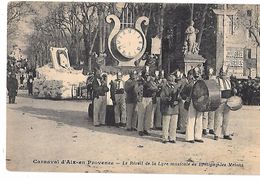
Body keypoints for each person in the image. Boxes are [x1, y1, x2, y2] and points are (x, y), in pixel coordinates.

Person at [181, 67, 204, 143]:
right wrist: (186, 98)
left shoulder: (202, 82)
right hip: (192, 102)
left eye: (198, 73)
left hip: (200, 102)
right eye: (196, 74)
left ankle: (198, 136)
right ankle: (189, 137)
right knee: (191, 119)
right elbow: (183, 93)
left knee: (199, 119)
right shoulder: (190, 83)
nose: (197, 75)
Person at [214, 66, 236, 140]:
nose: (223, 75)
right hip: (220, 100)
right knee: (218, 117)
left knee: (226, 118)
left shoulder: (228, 81)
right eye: (222, 73)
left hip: (228, 101)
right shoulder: (217, 80)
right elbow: (214, 91)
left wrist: (233, 93)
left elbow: (229, 91)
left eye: (224, 73)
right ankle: (216, 134)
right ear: (220, 73)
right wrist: (218, 99)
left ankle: (225, 133)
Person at [135, 70, 158, 136]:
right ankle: (140, 129)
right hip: (142, 98)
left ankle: (146, 129)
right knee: (141, 114)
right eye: (146, 75)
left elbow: (155, 88)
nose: (147, 76)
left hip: (149, 98)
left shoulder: (151, 82)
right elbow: (136, 89)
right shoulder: (139, 81)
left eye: (148, 75)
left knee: (148, 115)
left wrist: (150, 86)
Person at [160, 74, 182, 143]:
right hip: (167, 108)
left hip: (175, 108)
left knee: (174, 124)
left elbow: (180, 97)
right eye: (170, 80)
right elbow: (162, 97)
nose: (172, 82)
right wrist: (167, 99)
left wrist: (178, 100)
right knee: (166, 124)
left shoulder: (176, 87)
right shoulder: (164, 87)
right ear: (167, 81)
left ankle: (172, 137)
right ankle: (165, 138)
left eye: (173, 80)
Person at [202, 67, 216, 135]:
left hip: (212, 98)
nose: (209, 75)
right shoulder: (204, 80)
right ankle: (204, 128)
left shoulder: (214, 80)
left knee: (211, 114)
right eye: (208, 73)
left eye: (211, 73)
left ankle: (211, 128)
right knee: (205, 114)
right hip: (206, 98)